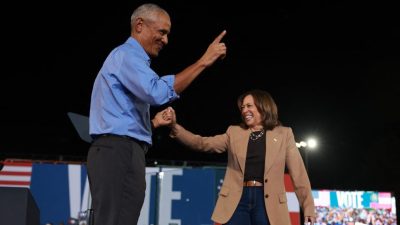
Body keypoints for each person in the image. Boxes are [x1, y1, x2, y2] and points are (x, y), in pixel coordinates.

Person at [86, 3, 227, 225]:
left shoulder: (133, 62)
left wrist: (152, 123)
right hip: (116, 151)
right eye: (162, 32)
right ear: (139, 25)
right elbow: (157, 92)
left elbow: (123, 116)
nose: (166, 40)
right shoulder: (125, 55)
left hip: (126, 150)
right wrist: (203, 62)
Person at [163, 89, 316, 225]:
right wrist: (175, 127)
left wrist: (308, 208)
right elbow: (202, 143)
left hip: (268, 203)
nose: (244, 110)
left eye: (249, 106)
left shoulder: (284, 134)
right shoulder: (234, 132)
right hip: (238, 200)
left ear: (263, 106)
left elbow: (299, 174)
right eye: (242, 107)